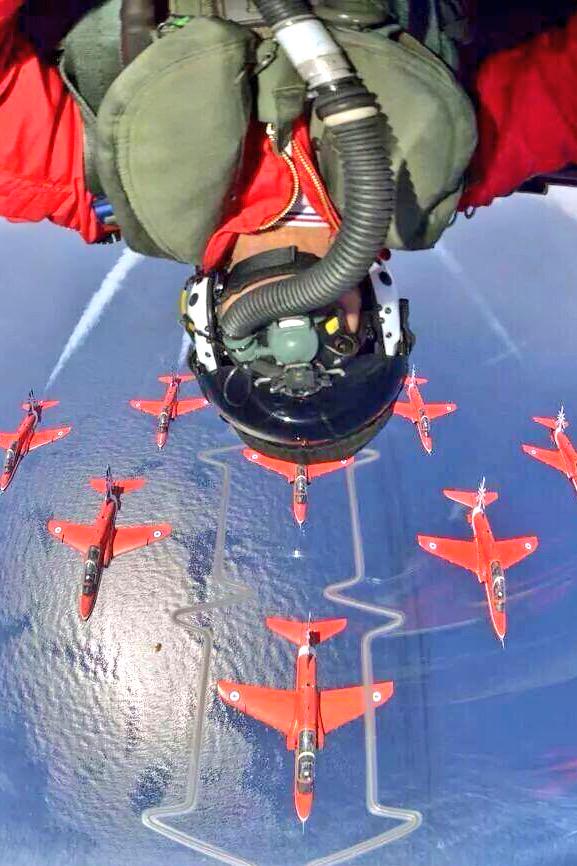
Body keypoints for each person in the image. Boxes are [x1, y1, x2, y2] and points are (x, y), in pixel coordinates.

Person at [1, 0, 576, 463]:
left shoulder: (84, 176)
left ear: (212, 334)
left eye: (260, 362)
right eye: (343, 348)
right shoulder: (449, 168)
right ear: (381, 325)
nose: (295, 339)